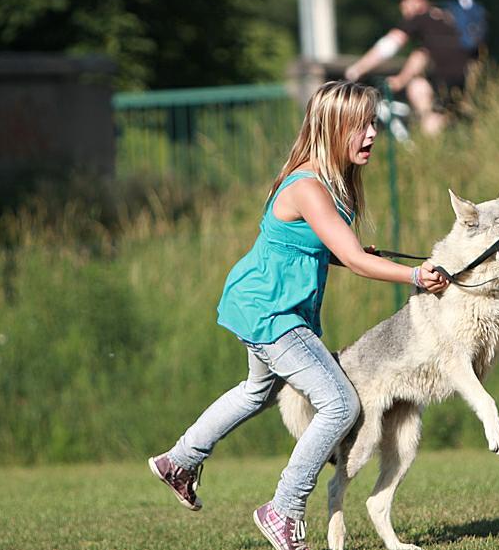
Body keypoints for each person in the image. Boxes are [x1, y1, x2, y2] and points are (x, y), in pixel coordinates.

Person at [148, 80, 449, 550]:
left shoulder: (327, 182)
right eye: (360, 126)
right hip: (273, 314)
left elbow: (313, 247)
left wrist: (337, 250)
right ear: (332, 129)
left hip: (260, 306)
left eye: (373, 123)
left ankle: (179, 461)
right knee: (340, 404)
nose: (371, 134)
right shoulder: (309, 185)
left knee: (255, 392)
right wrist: (414, 278)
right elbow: (353, 259)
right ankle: (283, 508)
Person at [345, 0, 477, 137]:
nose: (402, 5)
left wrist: (357, 69)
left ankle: (430, 152)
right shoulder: (448, 16)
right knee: (452, 117)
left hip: (443, 79)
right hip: (469, 78)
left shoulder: (419, 18)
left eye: (405, 0)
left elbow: (389, 46)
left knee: (422, 96)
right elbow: (424, 55)